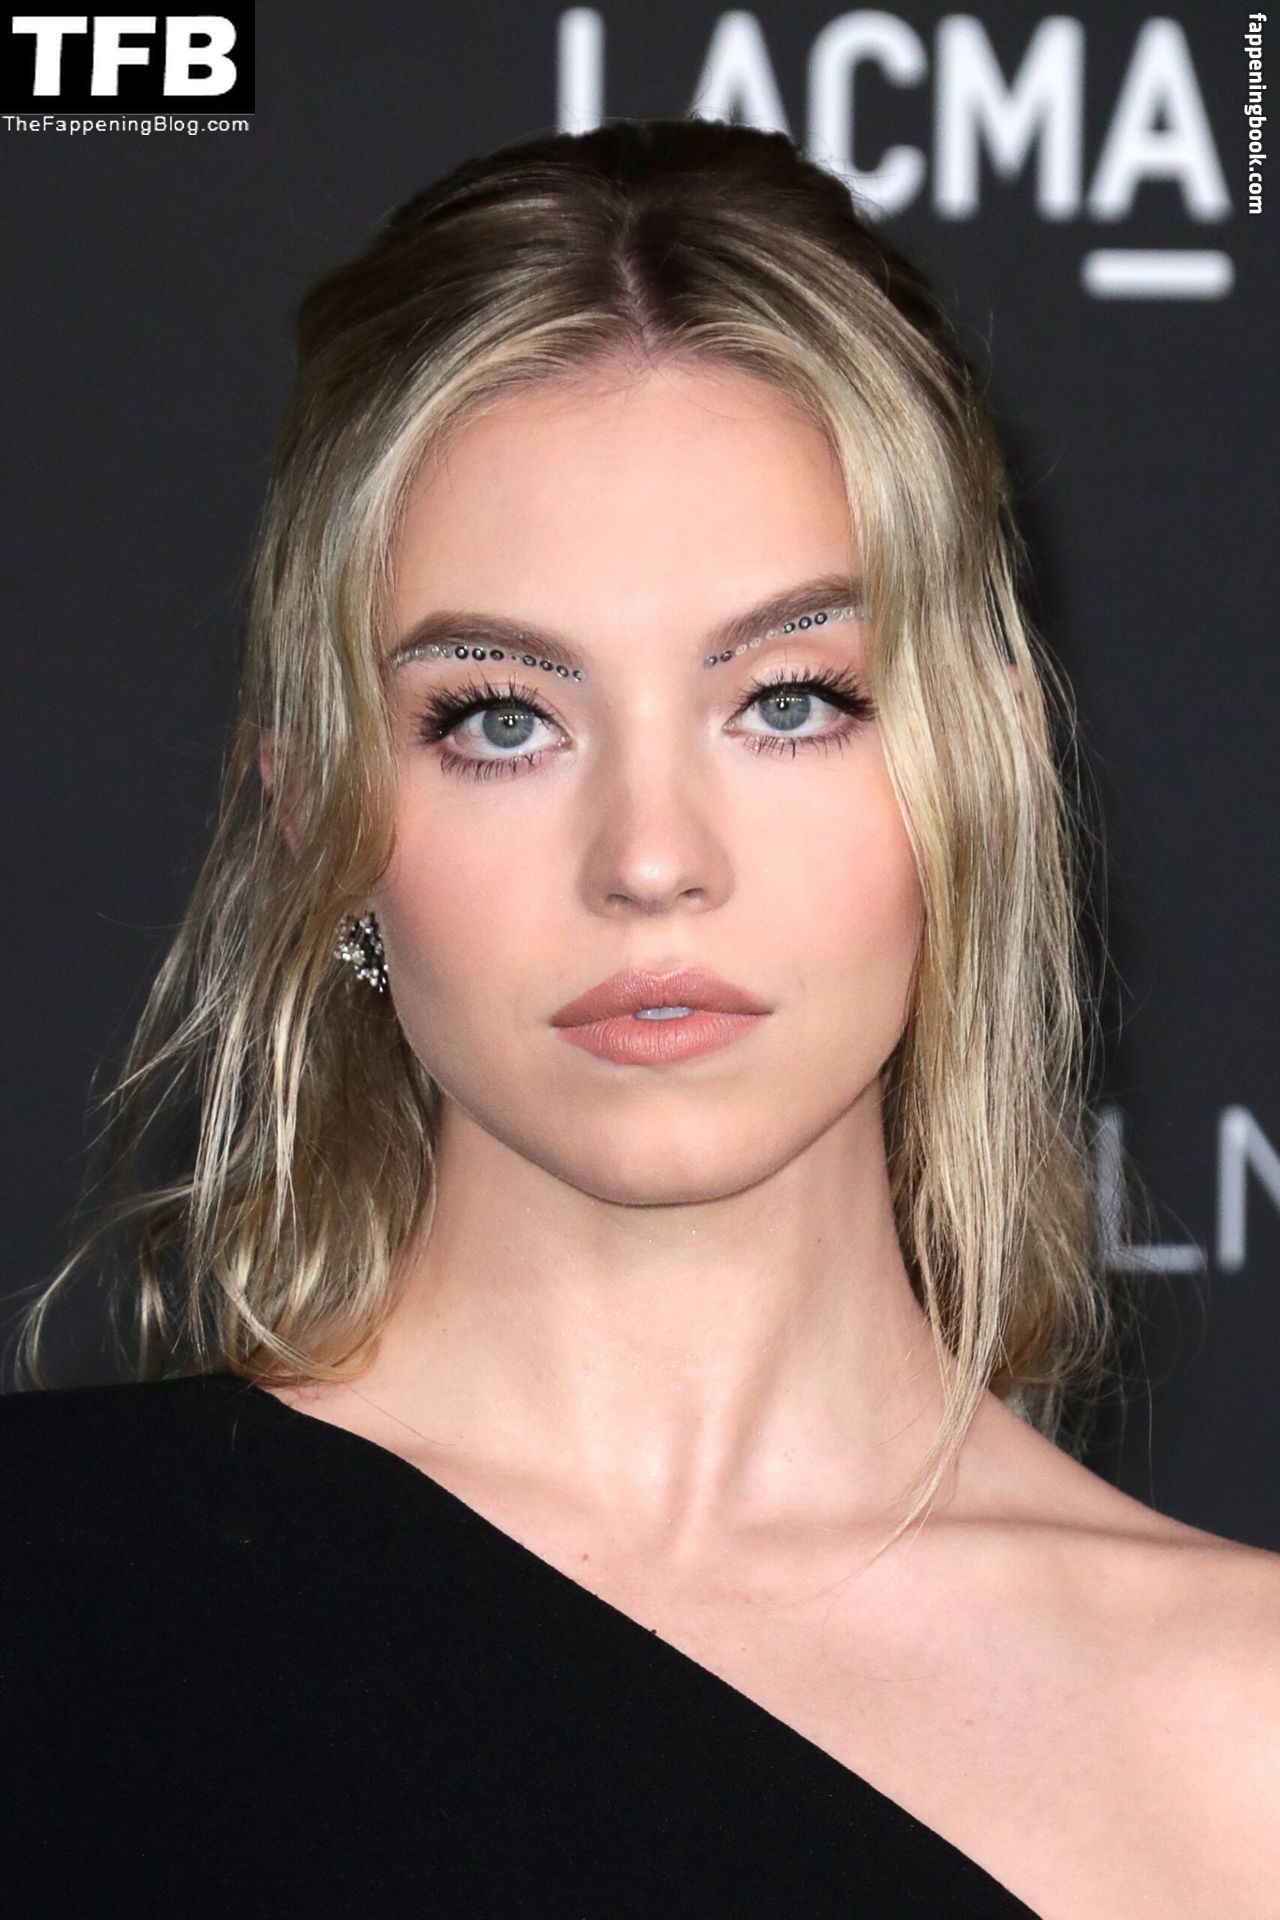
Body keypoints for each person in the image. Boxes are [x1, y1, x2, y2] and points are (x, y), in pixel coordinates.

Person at [3, 116, 1276, 1918]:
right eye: (502, 719)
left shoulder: (1244, 1736)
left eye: (790, 699)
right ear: (316, 820)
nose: (653, 859)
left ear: (982, 764)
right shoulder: (49, 1609)